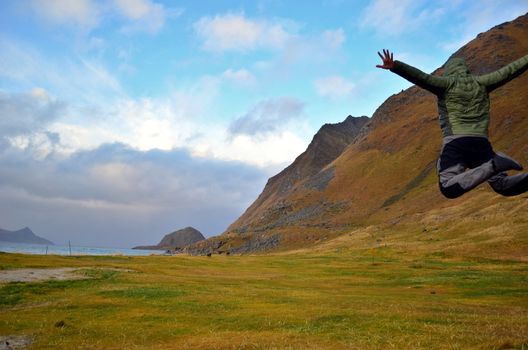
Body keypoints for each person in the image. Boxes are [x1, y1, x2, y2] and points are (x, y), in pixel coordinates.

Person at [376, 49, 528, 198]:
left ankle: (495, 164)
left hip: (457, 142)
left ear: (449, 71)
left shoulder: (446, 84)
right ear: (465, 69)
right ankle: (496, 165)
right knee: (503, 185)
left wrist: (395, 66)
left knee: (448, 187)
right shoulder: (482, 83)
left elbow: (421, 77)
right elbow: (510, 70)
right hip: (481, 143)